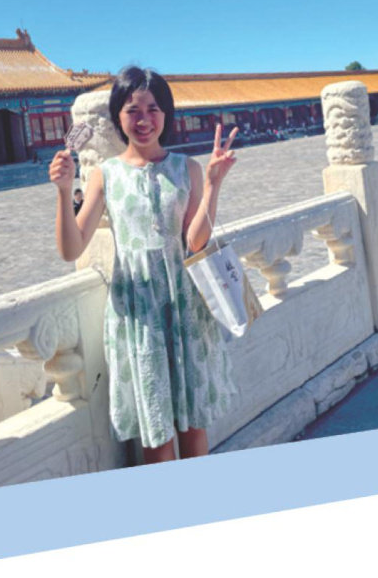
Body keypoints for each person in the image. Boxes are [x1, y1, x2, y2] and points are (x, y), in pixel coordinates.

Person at [49, 66, 238, 464]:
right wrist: (65, 192)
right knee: (156, 430)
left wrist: (213, 185)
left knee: (193, 425)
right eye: (132, 110)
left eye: (153, 109)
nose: (144, 119)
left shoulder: (187, 168)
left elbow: (194, 242)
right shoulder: (106, 175)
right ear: (118, 116)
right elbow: (71, 248)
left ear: (165, 114)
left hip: (185, 306)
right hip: (139, 312)